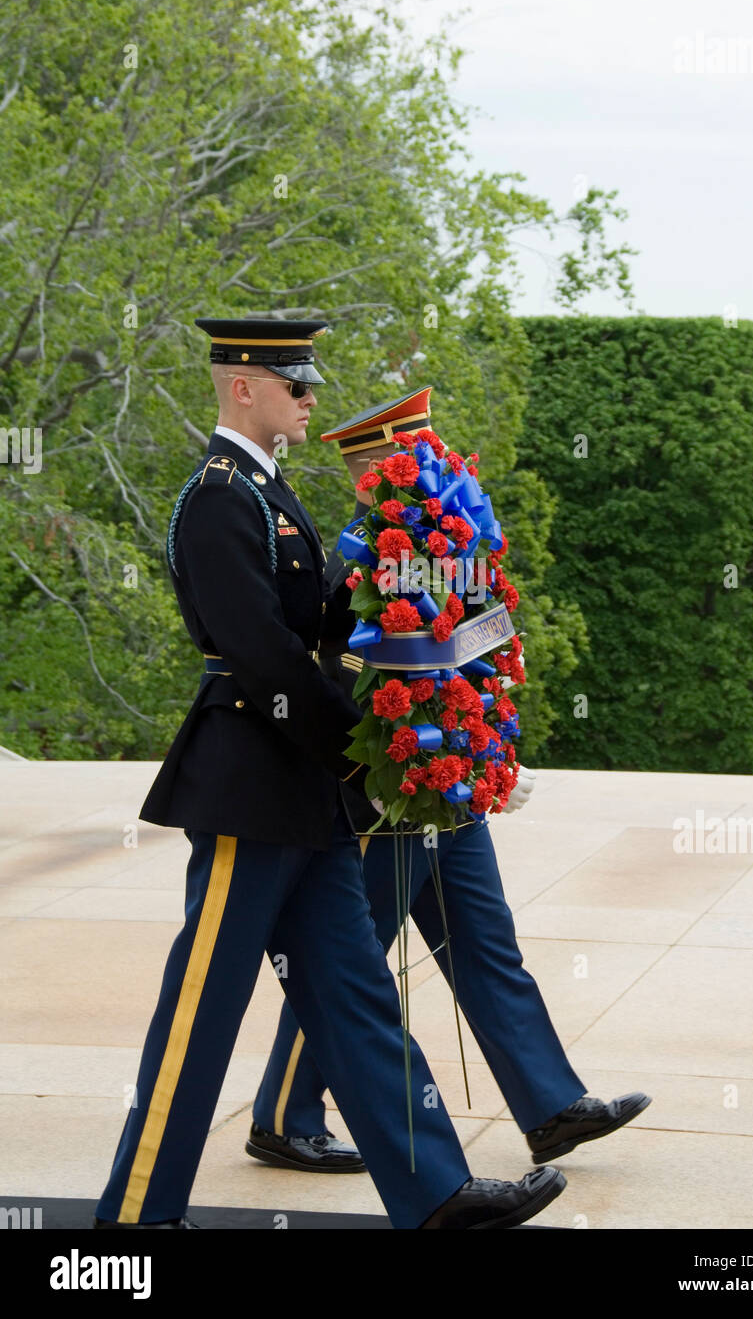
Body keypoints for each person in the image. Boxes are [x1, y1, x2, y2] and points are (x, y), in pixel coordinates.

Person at [92, 320, 566, 1230]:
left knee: (356, 996)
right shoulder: (218, 498)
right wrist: (366, 746)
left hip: (303, 789)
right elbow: (264, 654)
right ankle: (135, 1220)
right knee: (203, 1009)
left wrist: (418, 575)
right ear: (241, 386)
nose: (309, 398)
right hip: (250, 783)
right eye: (292, 383)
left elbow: (327, 625)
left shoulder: (271, 492)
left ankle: (436, 1194)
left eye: (307, 383)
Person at [244, 387, 651, 1177]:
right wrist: (406, 756)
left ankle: (548, 1106)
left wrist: (486, 751)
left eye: (429, 452)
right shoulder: (369, 551)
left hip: (449, 781)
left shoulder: (436, 542)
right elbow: (353, 666)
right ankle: (285, 1116)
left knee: (486, 945)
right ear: (374, 466)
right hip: (390, 788)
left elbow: (468, 650)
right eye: (409, 454)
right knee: (347, 962)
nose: (428, 466)